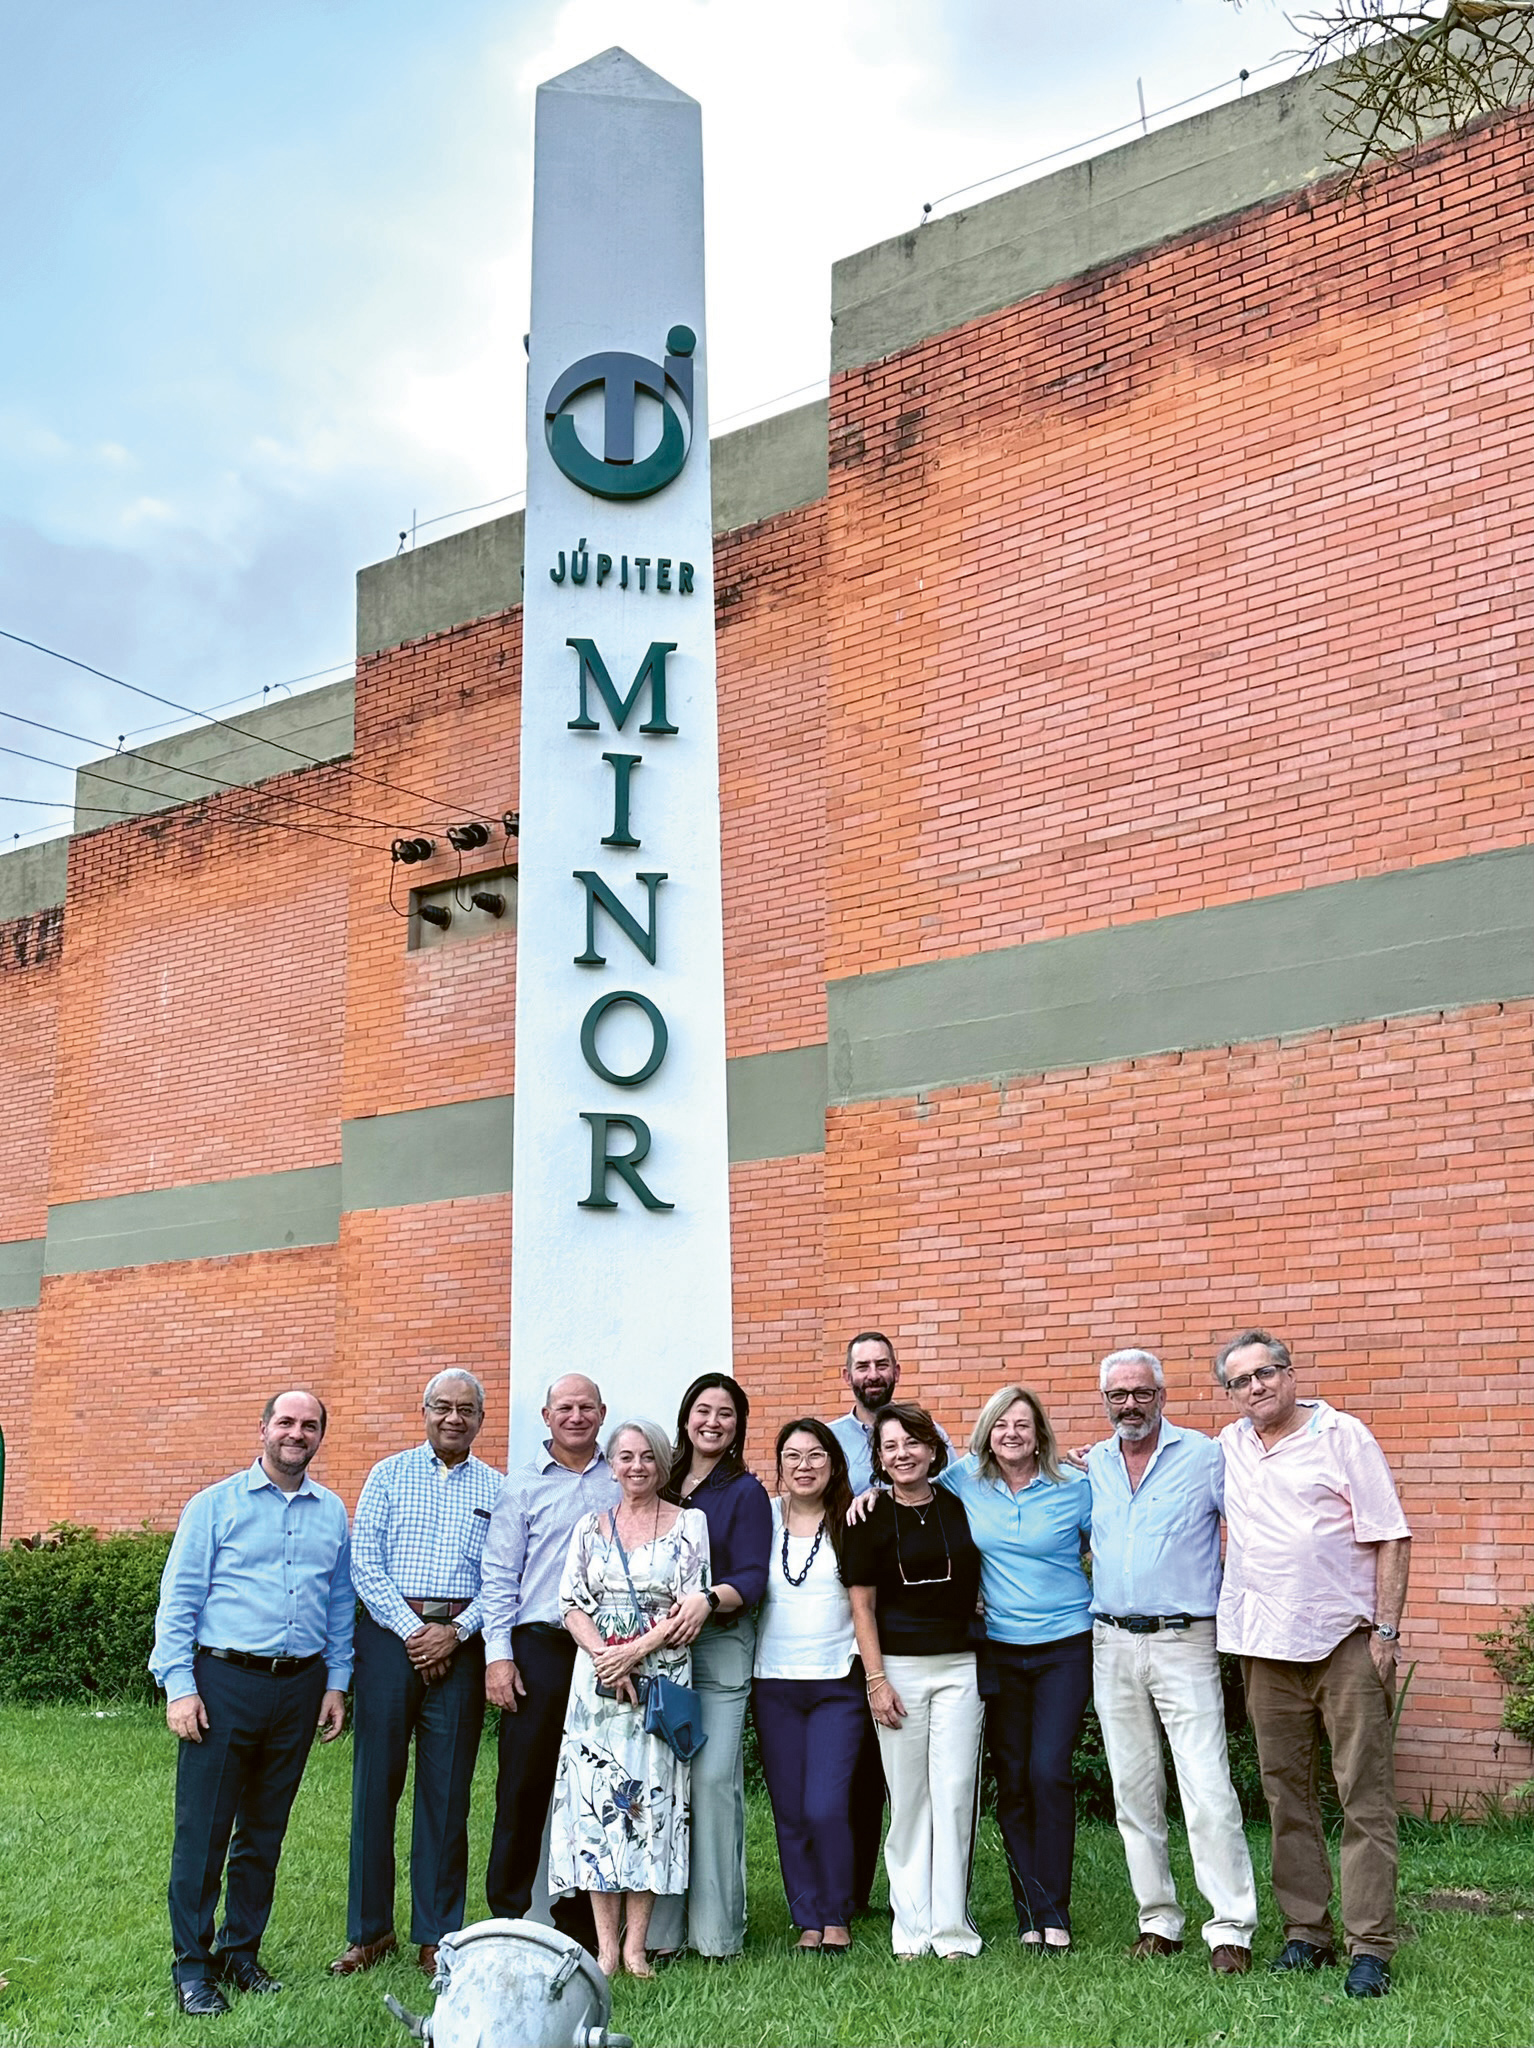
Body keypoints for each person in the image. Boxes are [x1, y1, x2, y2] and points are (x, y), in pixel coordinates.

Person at [1215, 1330, 1411, 2000]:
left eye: (1266, 1373)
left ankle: (1371, 1947)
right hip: (1264, 1650)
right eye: (1240, 1381)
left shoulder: (1342, 1435)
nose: (1256, 1388)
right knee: (1285, 1796)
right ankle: (1306, 1933)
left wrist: (1385, 1633)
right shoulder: (1230, 1446)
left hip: (1344, 1643)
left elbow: (1389, 1533)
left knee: (1364, 1797)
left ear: (1290, 1374)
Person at [150, 1389, 353, 2017]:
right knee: (203, 1834)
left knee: (264, 1833)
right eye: (286, 1422)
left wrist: (336, 1682)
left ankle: (241, 1953)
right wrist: (180, 1687)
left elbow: (340, 1604)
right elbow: (178, 1602)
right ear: (263, 1428)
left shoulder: (331, 1513)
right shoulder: (213, 1506)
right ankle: (192, 1968)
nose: (297, 1433)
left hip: (298, 1689)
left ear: (320, 1437)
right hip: (223, 1685)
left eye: (309, 1425)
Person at [1084, 1348, 1257, 1973]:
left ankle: (1230, 1927)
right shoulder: (1093, 1465)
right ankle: (1157, 1919)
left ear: (1162, 1394)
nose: (1129, 1404)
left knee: (1207, 1788)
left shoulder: (1206, 1456)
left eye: (1140, 1392)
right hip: (1110, 1642)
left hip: (1185, 1640)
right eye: (1117, 1395)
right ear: (1104, 1401)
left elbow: (1253, 1523)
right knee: (1134, 1790)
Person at [331, 1369, 502, 1979]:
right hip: (389, 1643)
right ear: (423, 1410)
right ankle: (369, 1931)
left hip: (460, 1646)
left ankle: (437, 1933)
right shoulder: (387, 1474)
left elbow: (501, 1579)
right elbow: (364, 1563)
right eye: (443, 1407)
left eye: (466, 1410)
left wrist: (454, 1633)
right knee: (376, 1786)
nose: (454, 1418)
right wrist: (412, 1631)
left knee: (447, 1793)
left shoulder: (496, 1488)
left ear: (482, 1420)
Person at [549, 1419, 711, 1979]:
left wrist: (633, 1653)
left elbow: (690, 1603)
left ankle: (638, 1947)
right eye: (624, 1457)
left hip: (658, 1682)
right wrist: (604, 1656)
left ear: (662, 1464)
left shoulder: (691, 1523)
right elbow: (570, 1601)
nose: (636, 1466)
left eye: (646, 1457)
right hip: (596, 1688)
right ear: (611, 1464)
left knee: (651, 1808)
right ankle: (606, 1950)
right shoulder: (590, 1528)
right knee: (597, 1810)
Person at [938, 1385, 1092, 1953]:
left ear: (1040, 1433)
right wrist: (870, 1497)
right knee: (1013, 1777)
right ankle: (1030, 1911)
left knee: (1049, 1770)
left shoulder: (1077, 1486)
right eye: (1000, 1425)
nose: (1011, 1434)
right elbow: (910, 1494)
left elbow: (1112, 1540)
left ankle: (1056, 1910)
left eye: (1022, 1425)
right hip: (999, 1648)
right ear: (985, 1432)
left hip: (1064, 1648)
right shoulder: (963, 1481)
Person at [843, 1402, 984, 1960]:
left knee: (953, 1796)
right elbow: (862, 1608)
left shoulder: (960, 1501)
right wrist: (876, 1679)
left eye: (912, 1444)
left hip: (960, 1669)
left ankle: (952, 1930)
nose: (903, 1455)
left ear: (932, 1449)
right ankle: (912, 1928)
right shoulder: (867, 1516)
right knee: (908, 1800)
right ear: (879, 1458)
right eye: (890, 1447)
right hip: (896, 1668)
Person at [483, 1373, 618, 1952]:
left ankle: (583, 1922)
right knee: (523, 1783)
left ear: (602, 1412)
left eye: (587, 1407)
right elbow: (498, 1577)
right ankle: (508, 1914)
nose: (576, 1416)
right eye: (565, 1407)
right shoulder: (521, 1488)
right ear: (546, 1416)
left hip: (607, 1651)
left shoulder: (624, 1476)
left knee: (596, 1781)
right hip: (538, 1646)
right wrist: (498, 1657)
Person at [647, 1373, 771, 1960]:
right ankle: (661, 1932)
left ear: (738, 1425)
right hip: (664, 1652)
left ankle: (717, 1933)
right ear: (686, 1416)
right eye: (703, 1410)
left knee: (714, 1782)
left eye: (725, 1413)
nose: (713, 1422)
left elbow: (752, 1576)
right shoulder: (662, 1483)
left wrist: (709, 1597)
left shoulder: (743, 1492)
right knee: (665, 1784)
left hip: (719, 1648)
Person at [752, 1419, 860, 1955]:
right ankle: (808, 1918)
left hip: (837, 1682)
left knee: (825, 1805)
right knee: (790, 1808)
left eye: (816, 1455)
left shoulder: (853, 1518)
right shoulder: (764, 1518)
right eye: (792, 1456)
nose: (804, 1466)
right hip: (774, 1683)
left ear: (834, 1463)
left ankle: (837, 1911)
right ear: (779, 1465)